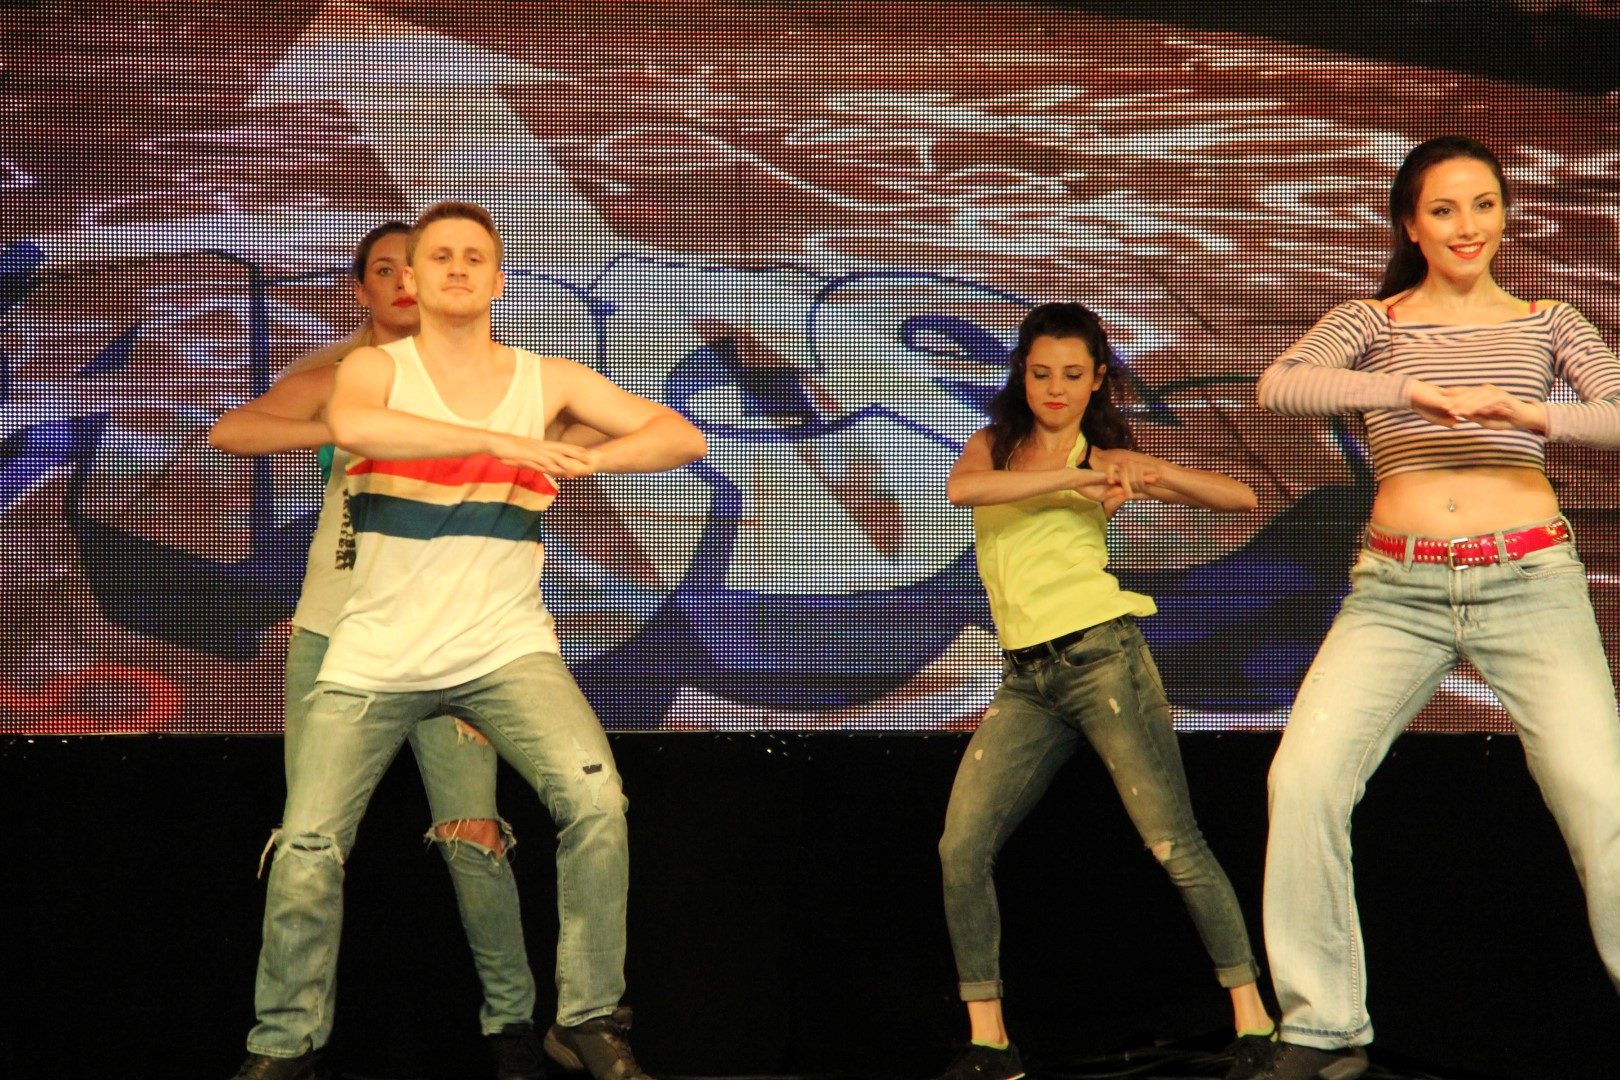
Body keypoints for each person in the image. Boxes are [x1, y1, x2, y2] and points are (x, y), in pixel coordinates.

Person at [225, 201, 706, 1080]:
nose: (456, 268)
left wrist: (588, 459)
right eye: (438, 256)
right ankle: (284, 1045)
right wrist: (505, 444)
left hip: (502, 649)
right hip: (375, 651)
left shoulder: (548, 379)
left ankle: (587, 1016)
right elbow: (356, 429)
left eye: (473, 257)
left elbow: (680, 433)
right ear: (410, 278)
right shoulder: (373, 369)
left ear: (498, 280)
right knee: (307, 845)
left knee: (596, 804)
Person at [1252, 135, 1620, 1080]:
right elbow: (1279, 385)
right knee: (1303, 782)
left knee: (1602, 801)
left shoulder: (1549, 321)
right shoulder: (1369, 322)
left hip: (1529, 582)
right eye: (1445, 209)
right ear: (1410, 225)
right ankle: (1323, 1025)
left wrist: (1536, 414)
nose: (1468, 226)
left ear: (1504, 216)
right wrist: (1404, 387)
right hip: (1397, 592)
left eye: (1484, 205)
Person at [211, 221, 567, 1080]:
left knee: (473, 832)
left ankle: (511, 1025)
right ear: (363, 288)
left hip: (456, 639)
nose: (408, 281)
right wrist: (349, 427)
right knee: (309, 842)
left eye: (419, 266)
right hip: (336, 630)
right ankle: (286, 1041)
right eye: (386, 269)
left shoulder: (488, 379)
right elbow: (234, 432)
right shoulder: (345, 377)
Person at [936, 302, 1274, 1080]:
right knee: (961, 847)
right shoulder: (994, 446)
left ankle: (1255, 1022)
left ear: (1097, 381)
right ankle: (991, 1046)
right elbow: (964, 491)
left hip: (1103, 662)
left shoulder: (1109, 454)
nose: (1054, 388)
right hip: (1025, 681)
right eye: (1040, 373)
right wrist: (1077, 478)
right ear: (1023, 376)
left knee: (1172, 842)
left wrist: (1147, 473)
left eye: (1072, 374)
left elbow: (1241, 500)